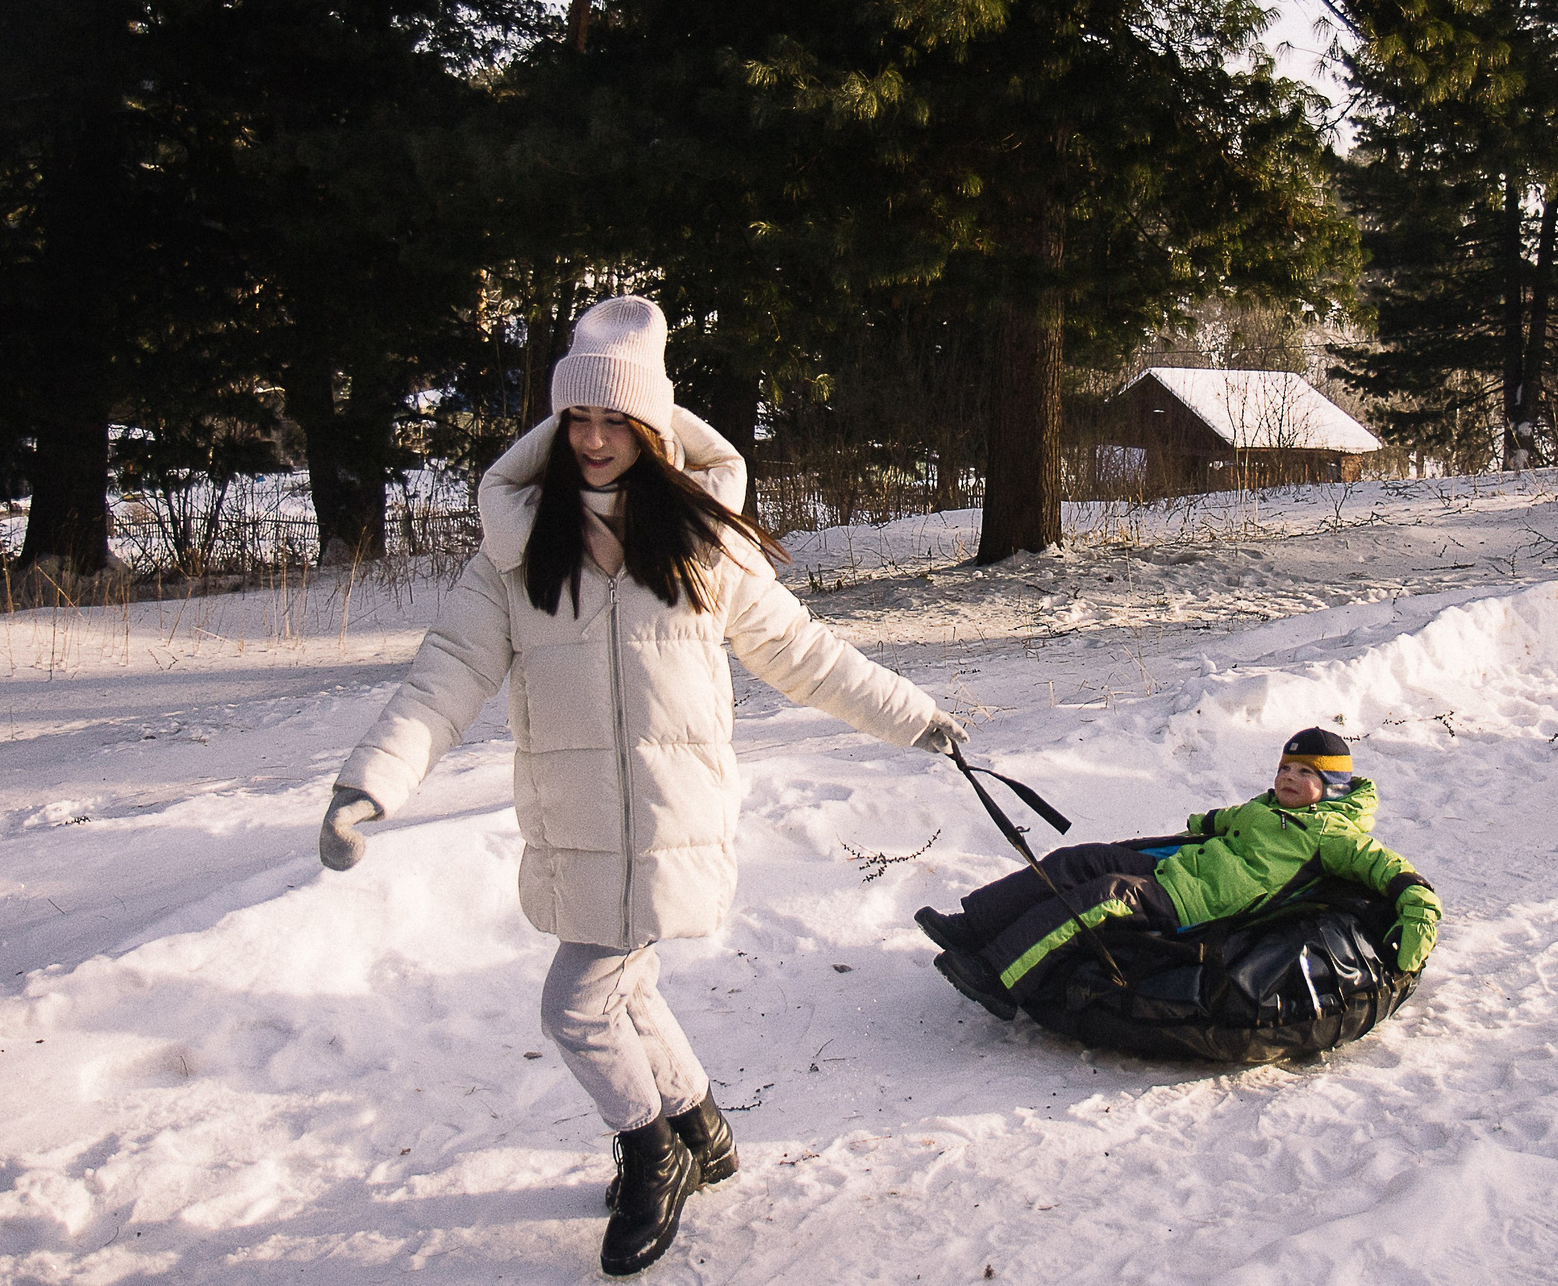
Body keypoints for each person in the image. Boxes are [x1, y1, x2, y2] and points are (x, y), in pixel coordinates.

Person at [316, 296, 964, 1278]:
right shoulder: (519, 550)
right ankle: (698, 1123)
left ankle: (647, 1148)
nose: (592, 438)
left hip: (673, 821)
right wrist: (373, 783)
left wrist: (912, 714)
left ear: (651, 429)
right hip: (575, 826)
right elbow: (444, 677)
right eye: (577, 419)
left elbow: (803, 654)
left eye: (613, 420)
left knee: (577, 1007)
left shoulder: (703, 546)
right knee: (627, 989)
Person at [914, 727, 1438, 1018]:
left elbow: (1404, 881)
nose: (1289, 779)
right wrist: (1203, 824)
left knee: (1103, 896)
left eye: (1307, 774)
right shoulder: (1266, 808)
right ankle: (976, 924)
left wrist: (1416, 928)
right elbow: (1225, 821)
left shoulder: (1335, 835)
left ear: (1335, 788)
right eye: (1285, 768)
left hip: (1197, 907)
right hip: (1180, 870)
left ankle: (1002, 978)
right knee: (1082, 859)